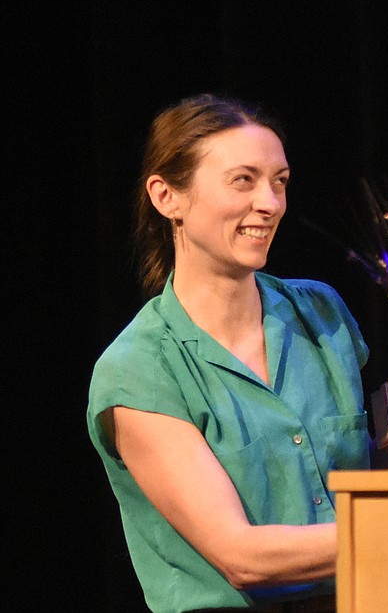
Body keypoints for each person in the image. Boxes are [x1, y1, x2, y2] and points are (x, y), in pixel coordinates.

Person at [87, 94, 373, 613]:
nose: (270, 202)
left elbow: (381, 467)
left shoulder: (321, 313)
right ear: (166, 196)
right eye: (243, 180)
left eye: (280, 181)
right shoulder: (139, 368)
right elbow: (241, 556)